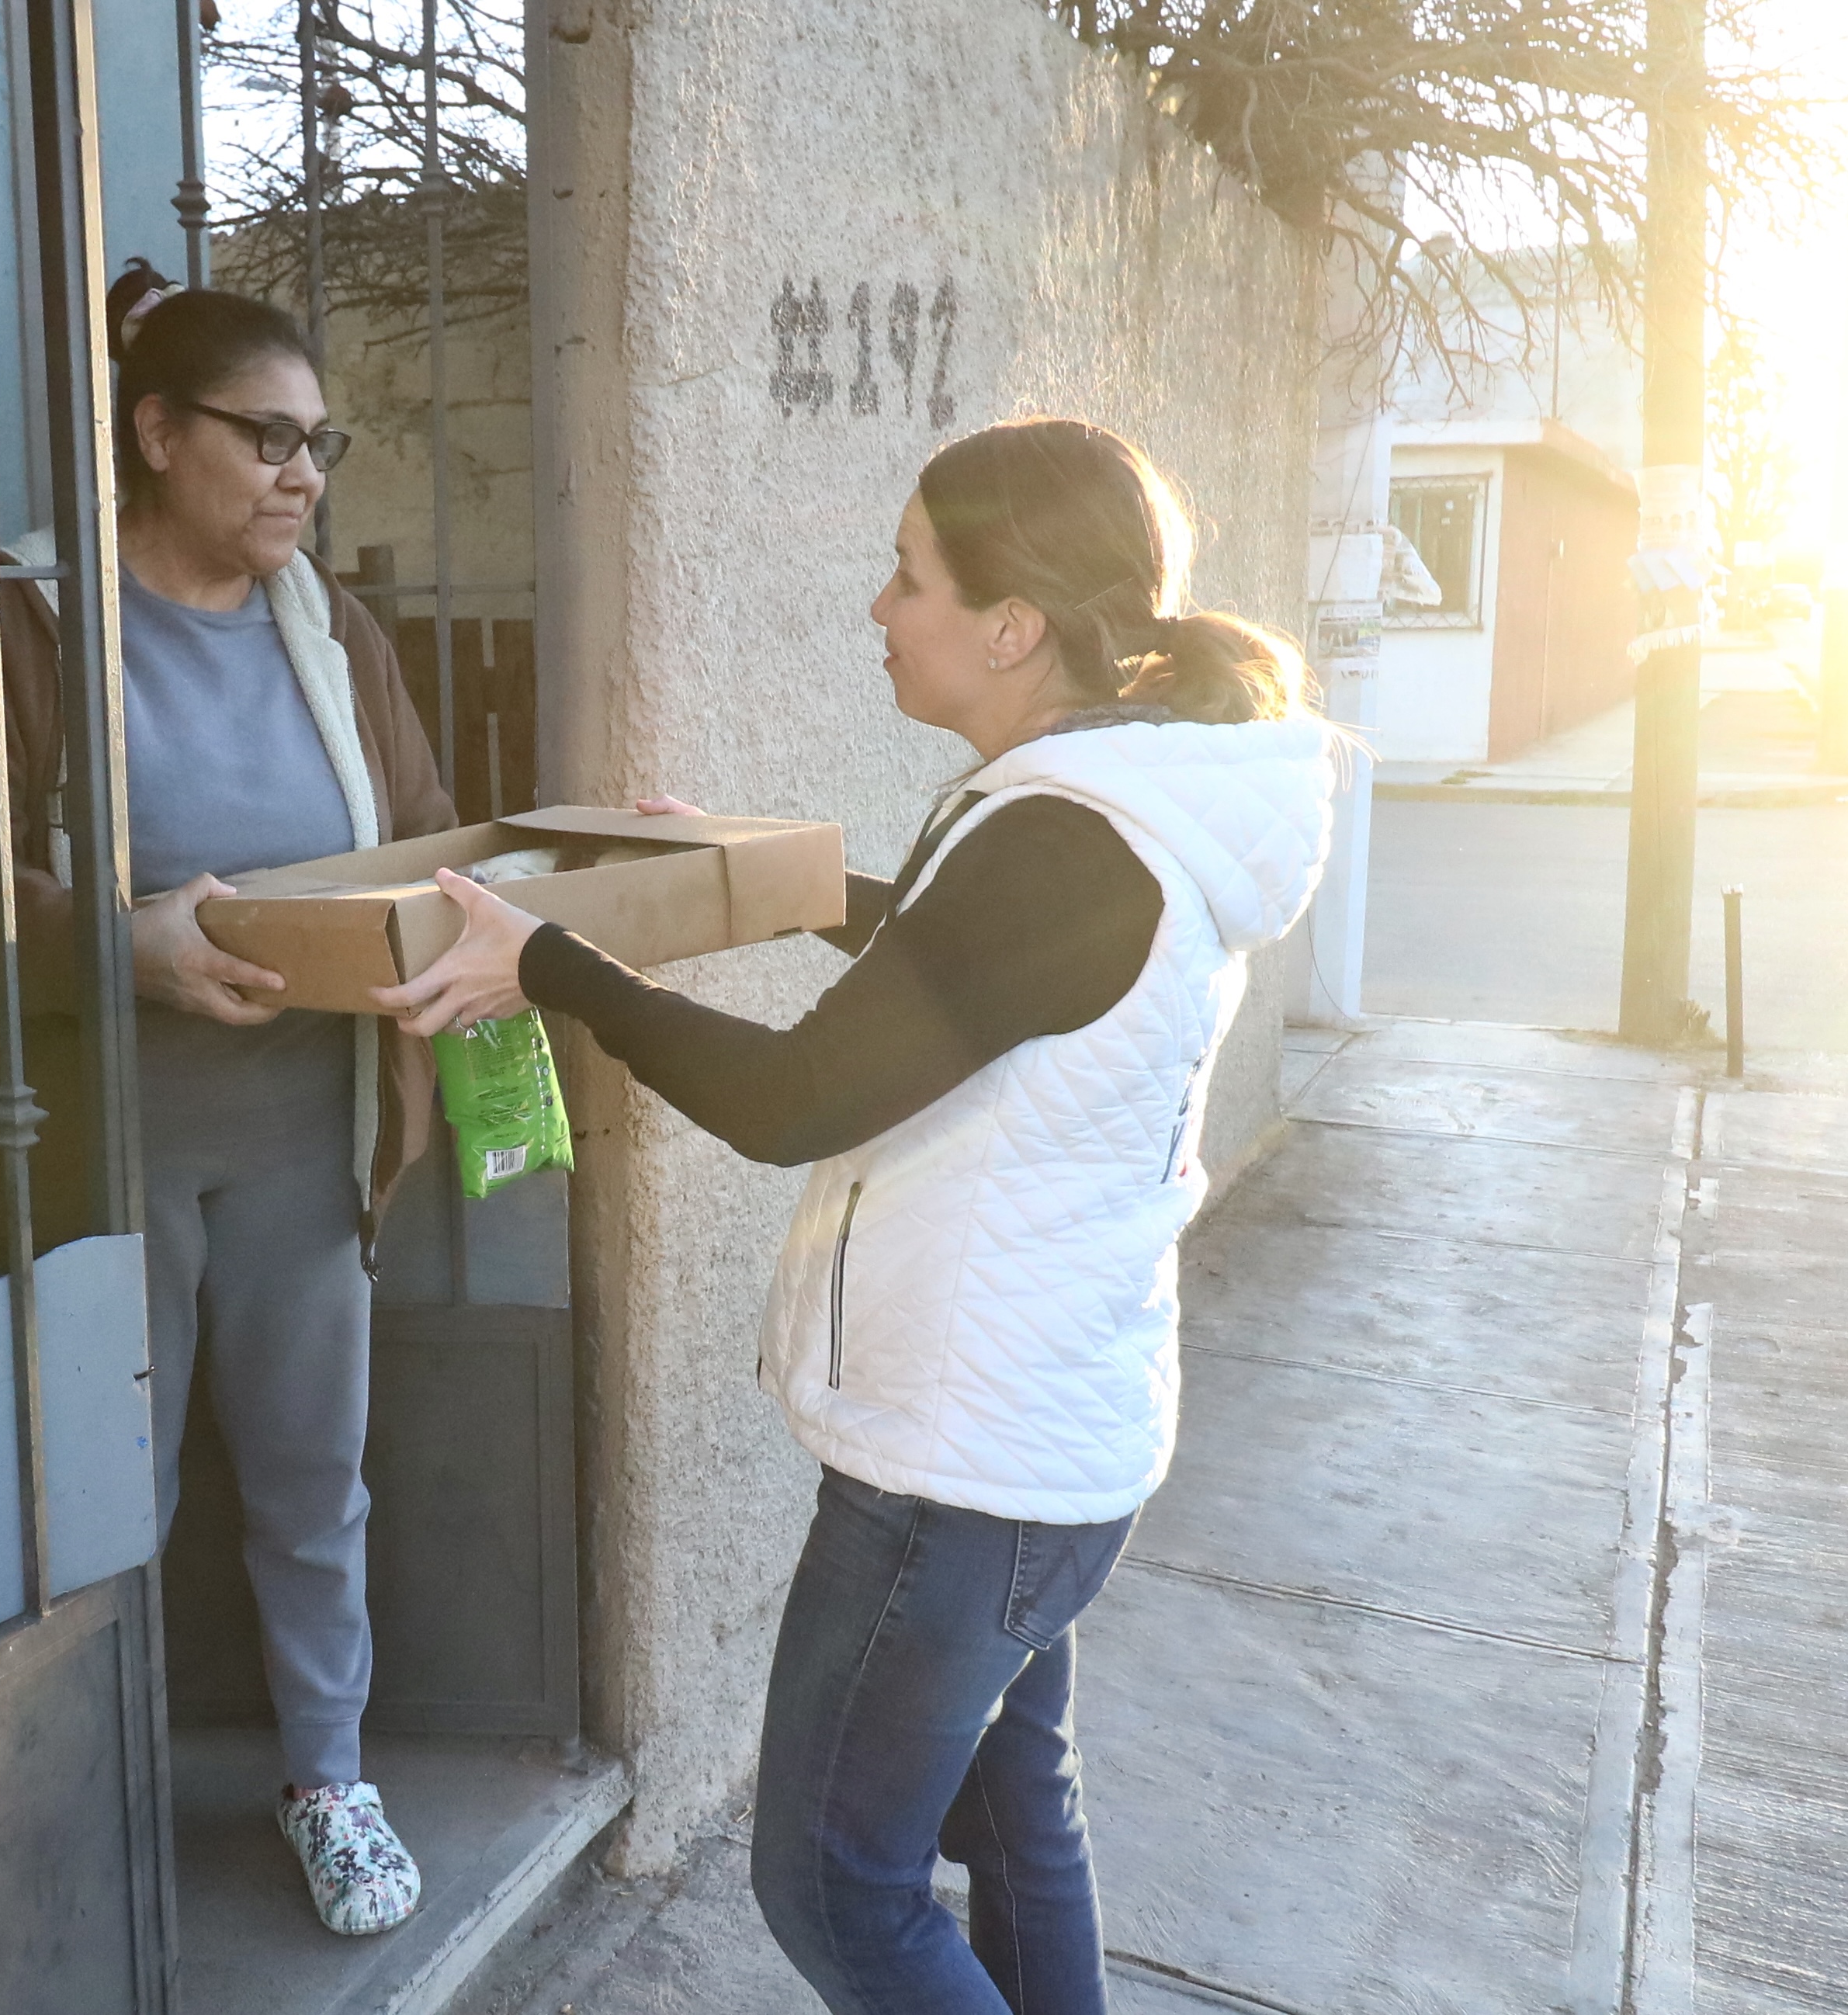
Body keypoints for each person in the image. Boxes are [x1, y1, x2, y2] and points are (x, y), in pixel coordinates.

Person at [375, 418, 1340, 2013]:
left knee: (835, 1882)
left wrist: (545, 962)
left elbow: (795, 1099)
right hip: (1044, 1438)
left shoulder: (1062, 837)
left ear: (1011, 625)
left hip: (962, 1477)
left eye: (908, 577)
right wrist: (761, 873)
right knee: (1015, 1819)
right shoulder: (1110, 812)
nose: (878, 609)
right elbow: (964, 975)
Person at [0, 259, 452, 1937]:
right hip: (103, 1143)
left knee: (313, 1479)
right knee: (97, 1487)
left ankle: (328, 1778)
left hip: (306, 1134)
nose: (303, 475)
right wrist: (117, 945)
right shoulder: (22, 626)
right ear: (153, 433)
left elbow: (426, 837)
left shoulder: (331, 630)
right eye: (266, 437)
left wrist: (516, 898)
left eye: (320, 443)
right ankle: (87, 1793)